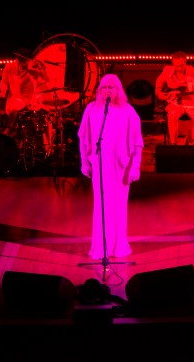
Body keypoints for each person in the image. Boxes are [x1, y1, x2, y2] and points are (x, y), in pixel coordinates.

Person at [78, 74, 144, 260]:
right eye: (104, 87)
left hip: (121, 165)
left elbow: (137, 142)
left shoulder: (128, 111)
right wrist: (84, 162)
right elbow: (83, 137)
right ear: (99, 90)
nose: (108, 90)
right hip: (99, 163)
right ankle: (101, 248)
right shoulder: (92, 109)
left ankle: (118, 246)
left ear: (118, 90)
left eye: (112, 87)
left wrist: (135, 167)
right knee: (101, 205)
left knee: (118, 205)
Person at [155, 51, 194, 145]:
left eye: (182, 65)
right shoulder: (167, 70)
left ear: (185, 61)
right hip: (175, 102)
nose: (179, 68)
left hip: (192, 103)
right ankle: (173, 143)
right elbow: (159, 83)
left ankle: (189, 139)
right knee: (172, 116)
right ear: (173, 63)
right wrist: (159, 92)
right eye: (177, 66)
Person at [0, 47, 50, 139]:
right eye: (19, 59)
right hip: (15, 99)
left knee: (45, 115)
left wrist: (40, 69)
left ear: (27, 60)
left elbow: (45, 79)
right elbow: (4, 81)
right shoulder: (9, 67)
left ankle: (47, 141)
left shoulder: (33, 69)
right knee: (14, 110)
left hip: (31, 100)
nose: (21, 61)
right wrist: (2, 93)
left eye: (24, 60)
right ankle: (8, 130)